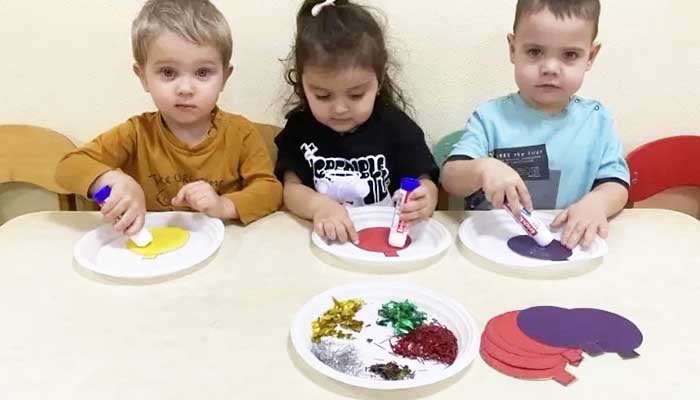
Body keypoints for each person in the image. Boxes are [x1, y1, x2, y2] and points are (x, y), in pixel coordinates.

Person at [55, 0, 282, 234]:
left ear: (224, 77)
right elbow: (68, 167)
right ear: (143, 77)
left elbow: (270, 190)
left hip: (224, 246)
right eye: (168, 72)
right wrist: (110, 180)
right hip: (154, 248)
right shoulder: (135, 133)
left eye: (202, 72)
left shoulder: (241, 134)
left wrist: (223, 205)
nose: (185, 89)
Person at [441, 0, 629, 249]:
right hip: (493, 244)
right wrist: (482, 169)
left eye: (570, 55)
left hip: (566, 243)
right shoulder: (489, 117)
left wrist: (598, 203)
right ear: (513, 49)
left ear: (590, 57)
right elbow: (450, 177)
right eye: (534, 52)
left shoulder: (597, 121)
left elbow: (616, 184)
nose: (550, 68)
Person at [275, 0, 439, 244]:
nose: (340, 109)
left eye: (356, 95)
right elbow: (291, 189)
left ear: (379, 80)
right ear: (302, 83)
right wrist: (319, 207)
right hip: (325, 243)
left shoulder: (396, 127)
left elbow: (424, 181)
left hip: (383, 243)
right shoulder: (300, 128)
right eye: (322, 95)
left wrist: (425, 197)